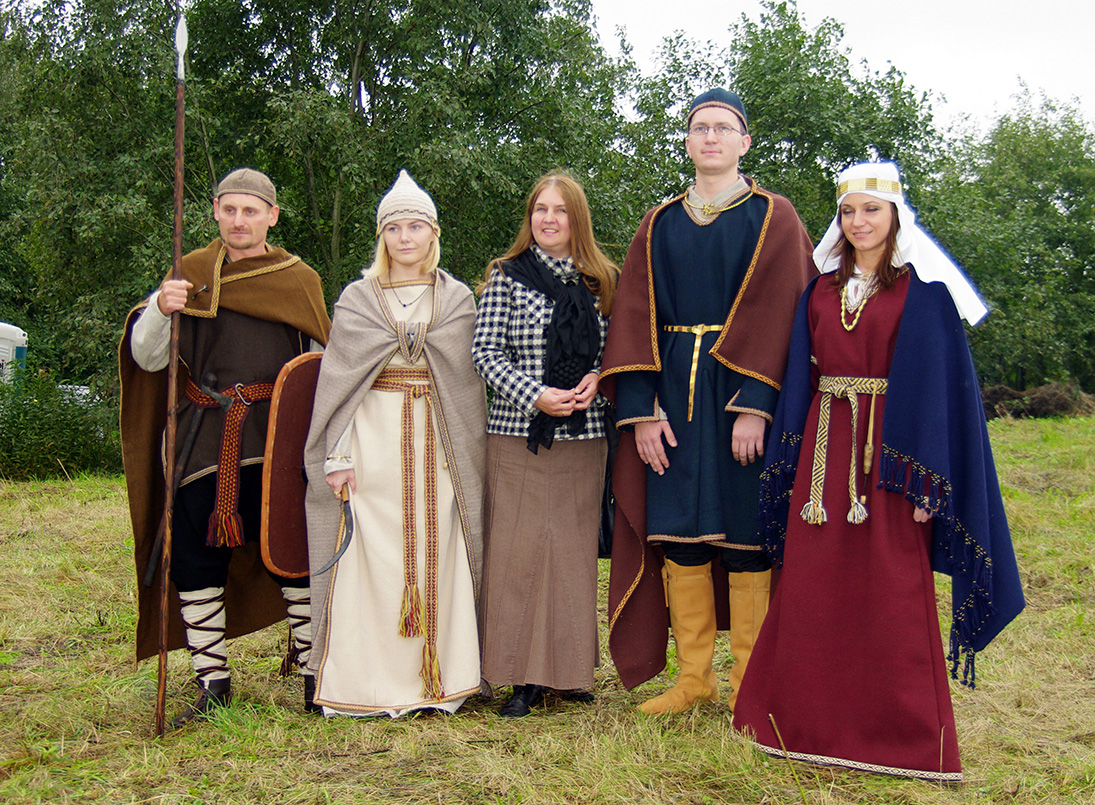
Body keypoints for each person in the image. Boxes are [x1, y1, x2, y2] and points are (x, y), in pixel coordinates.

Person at [732, 161, 1025, 781]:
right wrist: (793, 460)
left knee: (891, 588)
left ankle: (901, 736)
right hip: (823, 455)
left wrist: (929, 478)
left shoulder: (925, 293)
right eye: (848, 211)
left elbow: (940, 389)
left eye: (872, 210)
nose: (858, 222)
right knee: (813, 582)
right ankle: (798, 723)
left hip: (891, 457)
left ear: (896, 216)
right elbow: (800, 377)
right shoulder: (820, 290)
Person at [599, 89, 814, 714]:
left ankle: (750, 681)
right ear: (688, 141)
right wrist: (642, 409)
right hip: (672, 398)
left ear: (744, 141)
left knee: (747, 536)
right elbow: (633, 317)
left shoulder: (774, 217)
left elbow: (786, 314)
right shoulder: (659, 222)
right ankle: (695, 679)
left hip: (740, 396)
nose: (711, 137)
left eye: (723, 128)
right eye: (700, 128)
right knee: (680, 533)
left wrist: (756, 403)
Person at [119, 168, 331, 727]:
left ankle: (317, 677)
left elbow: (322, 366)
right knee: (195, 559)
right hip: (202, 439)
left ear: (272, 216)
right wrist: (160, 309)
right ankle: (212, 682)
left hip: (277, 439)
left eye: (251, 211)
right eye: (230, 209)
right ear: (215, 209)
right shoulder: (188, 274)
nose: (239, 221)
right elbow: (148, 359)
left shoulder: (298, 280)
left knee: (292, 554)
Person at [303, 170, 486, 717]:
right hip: (372, 445)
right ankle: (367, 684)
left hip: (441, 443)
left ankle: (444, 678)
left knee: (443, 550)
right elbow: (340, 383)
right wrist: (337, 455)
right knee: (370, 557)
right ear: (382, 236)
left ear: (433, 233)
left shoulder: (457, 299)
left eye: (416, 226)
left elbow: (467, 384)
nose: (405, 237)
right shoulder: (358, 299)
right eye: (394, 228)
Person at [472, 171, 619, 717]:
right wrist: (534, 395)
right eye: (540, 209)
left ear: (577, 219)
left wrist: (599, 377)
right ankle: (521, 675)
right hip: (519, 436)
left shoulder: (604, 280)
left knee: (572, 554)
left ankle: (568, 671)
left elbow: (620, 350)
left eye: (560, 210)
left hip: (585, 436)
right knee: (518, 552)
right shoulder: (506, 276)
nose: (549, 219)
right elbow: (485, 352)